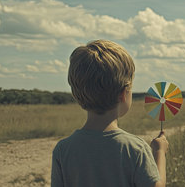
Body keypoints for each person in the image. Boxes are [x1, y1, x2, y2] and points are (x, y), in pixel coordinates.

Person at [51, 39, 168, 187]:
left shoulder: (63, 150)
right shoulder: (135, 149)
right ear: (123, 94)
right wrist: (159, 152)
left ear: (76, 95)